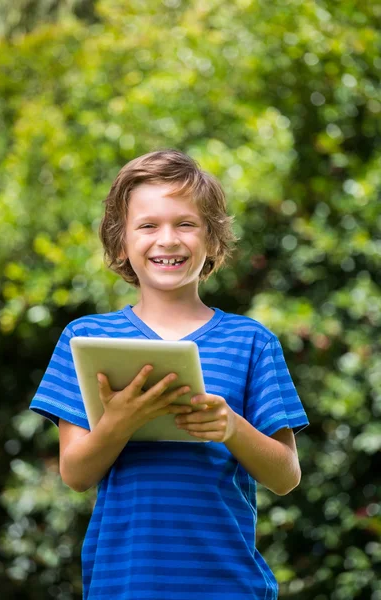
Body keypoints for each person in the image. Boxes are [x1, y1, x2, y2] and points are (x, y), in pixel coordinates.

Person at [30, 149, 309, 600]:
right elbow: (76, 474)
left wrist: (231, 427)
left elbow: (286, 475)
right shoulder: (85, 338)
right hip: (124, 584)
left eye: (185, 224)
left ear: (213, 240)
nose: (168, 239)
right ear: (121, 242)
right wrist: (119, 423)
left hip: (229, 585)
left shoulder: (252, 342)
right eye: (148, 225)